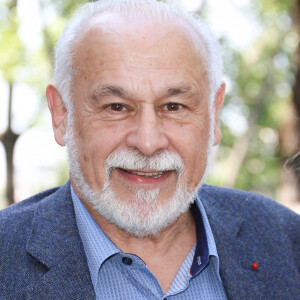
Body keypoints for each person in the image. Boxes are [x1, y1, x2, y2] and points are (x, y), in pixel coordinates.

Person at [0, 1, 299, 299]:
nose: (147, 142)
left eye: (173, 106)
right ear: (61, 115)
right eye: (116, 107)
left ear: (214, 114)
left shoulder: (286, 241)